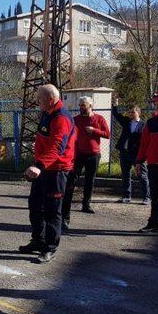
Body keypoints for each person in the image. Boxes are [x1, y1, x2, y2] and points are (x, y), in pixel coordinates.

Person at [19, 84, 75, 263]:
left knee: (52, 211)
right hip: (43, 169)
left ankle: (50, 248)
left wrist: (39, 166)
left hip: (56, 171)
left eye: (40, 100)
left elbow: (57, 147)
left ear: (51, 100)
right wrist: (38, 165)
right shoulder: (46, 114)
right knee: (35, 206)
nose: (38, 103)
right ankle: (38, 241)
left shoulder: (61, 119)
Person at [61, 96, 110, 230]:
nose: (81, 107)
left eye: (84, 105)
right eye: (80, 105)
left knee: (90, 180)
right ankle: (65, 217)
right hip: (77, 154)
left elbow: (107, 134)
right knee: (71, 181)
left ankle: (86, 204)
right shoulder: (76, 120)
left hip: (93, 154)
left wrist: (95, 131)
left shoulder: (99, 119)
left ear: (90, 106)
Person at [135, 90, 158, 233]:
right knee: (155, 195)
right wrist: (139, 161)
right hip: (154, 164)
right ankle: (154, 223)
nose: (157, 106)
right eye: (156, 104)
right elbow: (144, 144)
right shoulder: (151, 123)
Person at [112, 97, 149, 204]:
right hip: (124, 153)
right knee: (126, 175)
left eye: (133, 112)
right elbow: (116, 115)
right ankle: (126, 196)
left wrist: (143, 155)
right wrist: (115, 104)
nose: (131, 114)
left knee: (142, 175)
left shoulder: (144, 125)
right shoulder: (126, 122)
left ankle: (146, 197)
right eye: (130, 112)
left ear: (138, 113)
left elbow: (146, 141)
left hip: (137, 154)